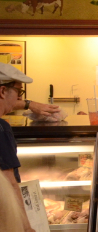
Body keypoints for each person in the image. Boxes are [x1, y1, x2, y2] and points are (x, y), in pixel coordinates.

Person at [0, 63, 37, 232]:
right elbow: (9, 182)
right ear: (2, 92)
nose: (18, 99)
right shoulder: (1, 129)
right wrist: (26, 227)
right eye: (18, 92)